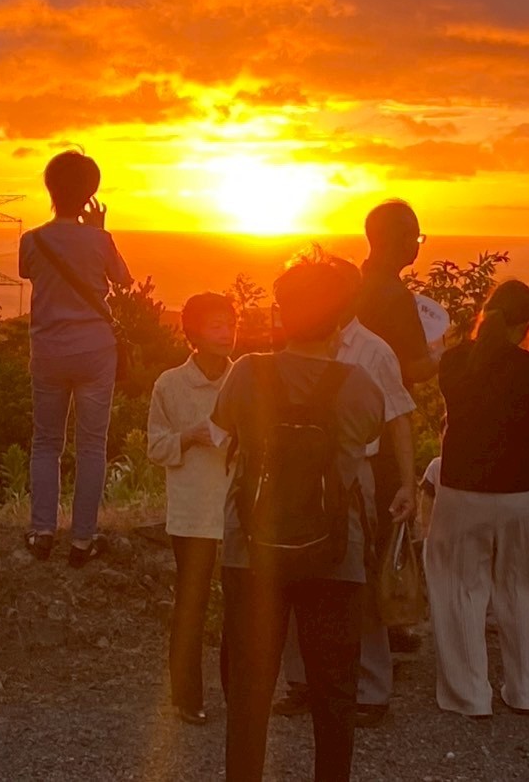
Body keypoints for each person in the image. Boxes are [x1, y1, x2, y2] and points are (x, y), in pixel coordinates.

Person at [212, 254, 385, 782]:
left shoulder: (246, 373)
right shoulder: (359, 386)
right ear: (338, 319)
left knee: (249, 690)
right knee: (334, 693)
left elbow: (224, 428)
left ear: (283, 314)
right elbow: (369, 443)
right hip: (336, 552)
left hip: (252, 547)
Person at [273, 258, 416, 726]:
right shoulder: (296, 341)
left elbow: (398, 415)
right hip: (295, 472)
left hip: (355, 471)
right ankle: (302, 682)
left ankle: (371, 689)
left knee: (355, 575)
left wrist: (409, 483)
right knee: (294, 568)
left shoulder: (374, 350)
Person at [425, 280, 529, 718]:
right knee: (525, 590)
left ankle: (469, 694)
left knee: (460, 587)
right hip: (521, 488)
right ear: (527, 324)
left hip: (462, 487)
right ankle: (525, 691)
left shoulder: (454, 361)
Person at [19, 151, 132, 567]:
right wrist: (99, 232)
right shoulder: (100, 240)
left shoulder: (32, 239)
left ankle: (42, 531)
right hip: (95, 351)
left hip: (48, 350)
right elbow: (123, 279)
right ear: (91, 193)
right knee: (91, 446)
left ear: (49, 188)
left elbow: (26, 272)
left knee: (46, 442)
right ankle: (82, 539)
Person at [147, 292, 236, 725]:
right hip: (191, 510)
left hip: (239, 509)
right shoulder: (169, 384)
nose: (227, 332)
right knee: (192, 605)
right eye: (216, 324)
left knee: (242, 608)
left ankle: (240, 694)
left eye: (230, 322)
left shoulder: (246, 380)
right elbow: (155, 446)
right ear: (194, 334)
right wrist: (189, 437)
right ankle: (187, 697)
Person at [356, 199, 435, 653]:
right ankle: (385, 621)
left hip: (350, 417)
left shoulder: (356, 286)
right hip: (386, 424)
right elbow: (416, 368)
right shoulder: (396, 297)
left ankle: (369, 619)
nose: (417, 246)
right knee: (390, 518)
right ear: (395, 239)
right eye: (415, 237)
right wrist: (443, 355)